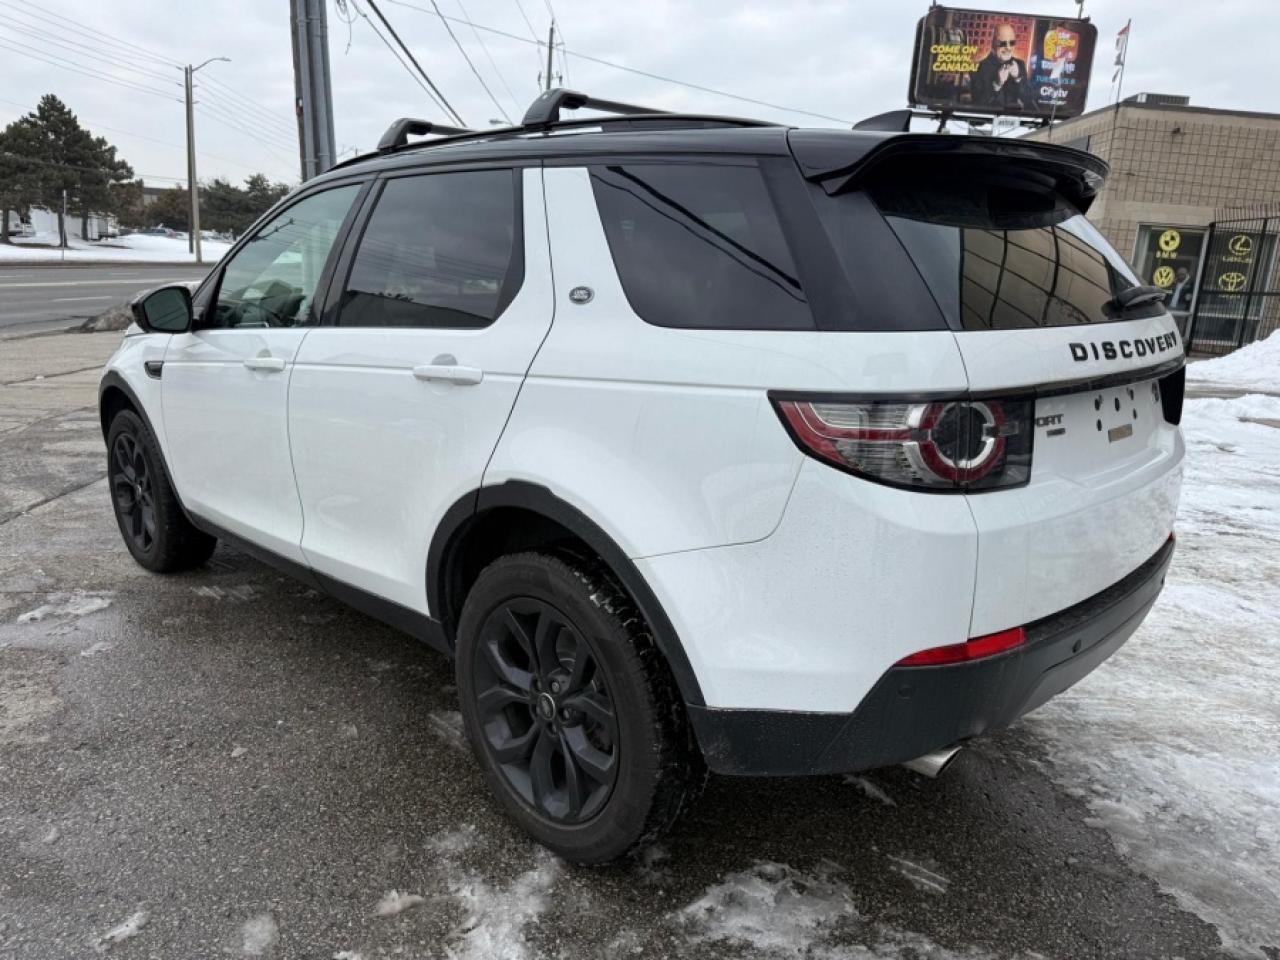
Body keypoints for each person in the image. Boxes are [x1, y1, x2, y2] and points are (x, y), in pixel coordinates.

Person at [973, 23, 1031, 110]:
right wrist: (997, 84)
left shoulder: (1020, 64)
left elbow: (1029, 100)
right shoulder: (978, 67)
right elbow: (978, 103)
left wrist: (1018, 78)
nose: (1008, 48)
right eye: (1003, 43)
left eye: (1011, 43)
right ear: (993, 44)